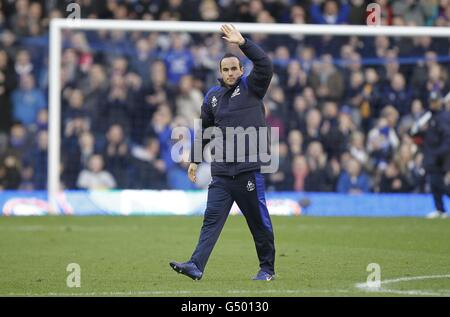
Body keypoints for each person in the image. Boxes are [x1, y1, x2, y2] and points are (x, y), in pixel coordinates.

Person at [169, 25, 275, 281]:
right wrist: (195, 160)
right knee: (211, 221)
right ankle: (196, 265)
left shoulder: (253, 88)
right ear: (220, 72)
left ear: (241, 71)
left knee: (258, 223)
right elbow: (205, 130)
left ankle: (267, 269)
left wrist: (243, 43)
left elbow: (265, 65)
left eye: (234, 69)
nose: (230, 73)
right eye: (225, 69)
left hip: (248, 170)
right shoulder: (213, 97)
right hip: (222, 173)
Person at [411, 91, 450, 219]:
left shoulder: (443, 117)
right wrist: (417, 132)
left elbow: (446, 138)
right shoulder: (430, 117)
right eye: (432, 102)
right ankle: (440, 209)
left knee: (441, 185)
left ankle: (440, 209)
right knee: (434, 184)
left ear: (440, 102)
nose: (433, 104)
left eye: (435, 101)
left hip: (440, 157)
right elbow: (426, 137)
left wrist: (439, 153)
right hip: (431, 156)